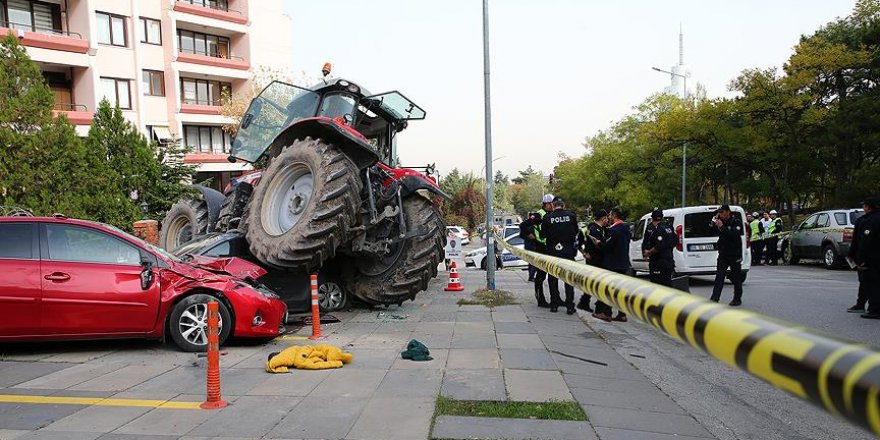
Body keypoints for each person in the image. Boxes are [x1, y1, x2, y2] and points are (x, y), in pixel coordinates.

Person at [541, 197, 579, 314]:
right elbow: (576, 231)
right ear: (563, 205)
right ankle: (570, 306)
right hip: (568, 251)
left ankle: (554, 304)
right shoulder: (571, 216)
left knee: (553, 279)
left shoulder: (547, 218)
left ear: (553, 205)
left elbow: (543, 235)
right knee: (568, 279)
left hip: (553, 252)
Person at [595, 207, 630, 322]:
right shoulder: (626, 228)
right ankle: (622, 314)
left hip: (613, 263)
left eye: (610, 215)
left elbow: (607, 247)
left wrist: (600, 243)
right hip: (624, 262)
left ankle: (607, 313)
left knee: (609, 289)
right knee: (620, 290)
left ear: (614, 216)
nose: (608, 217)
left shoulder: (613, 230)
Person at [850, 197, 880, 319]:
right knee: (866, 282)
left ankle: (875, 309)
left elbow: (865, 242)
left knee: (871, 283)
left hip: (872, 258)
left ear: (868, 207)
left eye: (864, 206)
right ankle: (860, 304)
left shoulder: (868, 220)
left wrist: (860, 259)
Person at [710, 204, 745, 306]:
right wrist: (713, 223)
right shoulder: (720, 221)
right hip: (723, 254)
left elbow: (733, 235)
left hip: (734, 254)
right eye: (719, 212)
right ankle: (714, 298)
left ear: (727, 212)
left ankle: (737, 299)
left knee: (736, 277)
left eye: (721, 212)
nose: (720, 214)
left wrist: (722, 227)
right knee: (719, 277)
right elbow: (711, 231)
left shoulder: (736, 222)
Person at [576, 209, 608, 311]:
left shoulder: (604, 229)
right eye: (606, 218)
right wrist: (584, 254)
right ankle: (595, 305)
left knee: (594, 283)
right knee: (596, 283)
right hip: (594, 260)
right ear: (603, 218)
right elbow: (577, 244)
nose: (608, 220)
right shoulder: (589, 229)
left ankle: (585, 302)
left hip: (602, 259)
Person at [642, 208, 678, 288]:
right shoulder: (669, 227)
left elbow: (658, 246)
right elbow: (675, 241)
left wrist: (648, 253)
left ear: (652, 217)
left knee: (657, 287)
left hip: (658, 262)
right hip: (668, 261)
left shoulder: (657, 229)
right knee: (667, 285)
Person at [532, 194, 555, 308]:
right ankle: (540, 298)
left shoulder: (551, 214)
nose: (553, 206)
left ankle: (554, 298)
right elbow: (540, 234)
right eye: (551, 204)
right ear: (547, 204)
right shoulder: (539, 215)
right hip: (542, 248)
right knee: (541, 274)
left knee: (549, 274)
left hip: (549, 248)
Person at [520, 212, 540, 282]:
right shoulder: (531, 226)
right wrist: (529, 237)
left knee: (531, 262)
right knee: (534, 262)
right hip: (532, 246)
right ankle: (531, 276)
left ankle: (531, 276)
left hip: (529, 245)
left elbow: (521, 235)